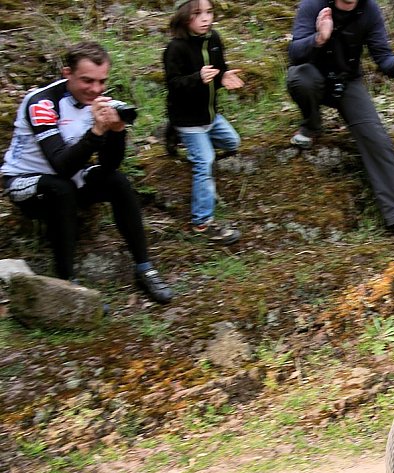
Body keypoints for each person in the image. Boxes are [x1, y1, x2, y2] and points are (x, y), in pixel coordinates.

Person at [1, 41, 173, 304]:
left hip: (70, 176)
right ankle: (67, 284)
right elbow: (61, 164)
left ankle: (144, 267)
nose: (95, 89)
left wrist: (115, 131)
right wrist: (96, 132)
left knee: (118, 182)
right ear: (67, 73)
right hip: (26, 181)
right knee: (61, 188)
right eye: (87, 81)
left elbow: (109, 164)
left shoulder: (99, 101)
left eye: (102, 81)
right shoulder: (42, 104)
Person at [286, 0, 394, 243]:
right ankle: (311, 124)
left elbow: (382, 58)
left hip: (347, 83)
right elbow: (295, 53)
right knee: (300, 78)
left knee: (377, 139)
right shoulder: (314, 5)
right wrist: (319, 39)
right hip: (312, 76)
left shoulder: (369, 9)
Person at [164, 0, 243, 245]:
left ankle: (185, 139)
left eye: (209, 12)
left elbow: (218, 71)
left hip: (210, 116)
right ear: (184, 17)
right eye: (198, 14)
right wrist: (197, 78)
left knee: (232, 142)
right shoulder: (175, 49)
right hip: (188, 120)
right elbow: (174, 84)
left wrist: (224, 77)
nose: (205, 18)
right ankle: (202, 222)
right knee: (205, 161)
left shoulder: (213, 39)